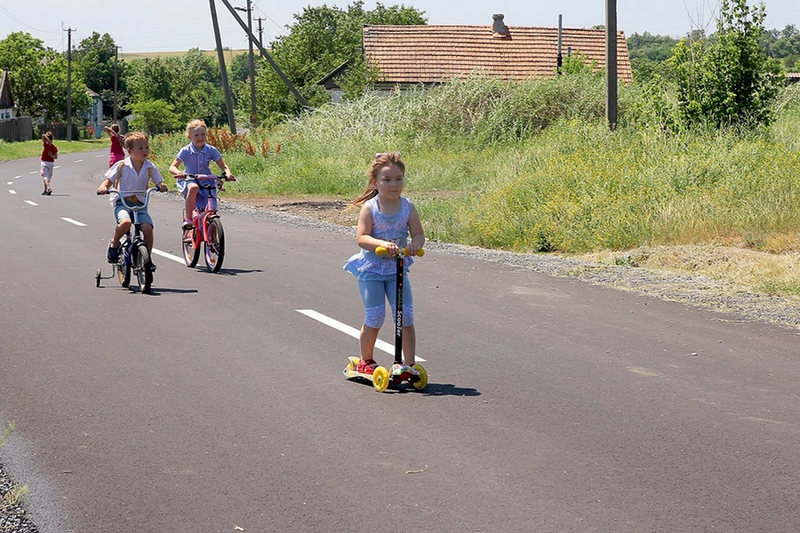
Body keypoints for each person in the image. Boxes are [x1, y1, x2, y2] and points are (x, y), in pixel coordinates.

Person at [344, 152, 425, 374]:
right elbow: (362, 237)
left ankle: (408, 364)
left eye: (398, 179)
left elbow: (418, 234)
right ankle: (366, 360)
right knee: (376, 316)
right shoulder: (370, 208)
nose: (393, 184)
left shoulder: (407, 206)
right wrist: (381, 244)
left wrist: (415, 245)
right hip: (372, 271)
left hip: (397, 269)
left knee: (405, 315)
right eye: (387, 180)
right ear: (375, 182)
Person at [96, 131, 167, 269]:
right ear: (129, 151)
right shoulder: (121, 165)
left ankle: (147, 258)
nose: (144, 151)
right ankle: (114, 243)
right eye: (140, 148)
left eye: (146, 147)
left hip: (140, 205)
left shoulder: (150, 167)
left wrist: (162, 186)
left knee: (147, 229)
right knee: (126, 222)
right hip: (122, 203)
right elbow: (108, 180)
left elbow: (159, 181)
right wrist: (103, 187)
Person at [168, 119, 235, 229]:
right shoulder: (186, 150)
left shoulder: (211, 150)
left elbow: (223, 166)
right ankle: (188, 219)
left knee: (211, 208)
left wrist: (228, 173)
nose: (200, 138)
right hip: (189, 179)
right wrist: (179, 172)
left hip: (207, 180)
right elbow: (172, 167)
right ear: (190, 137)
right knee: (193, 187)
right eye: (197, 135)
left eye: (203, 134)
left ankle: (212, 231)